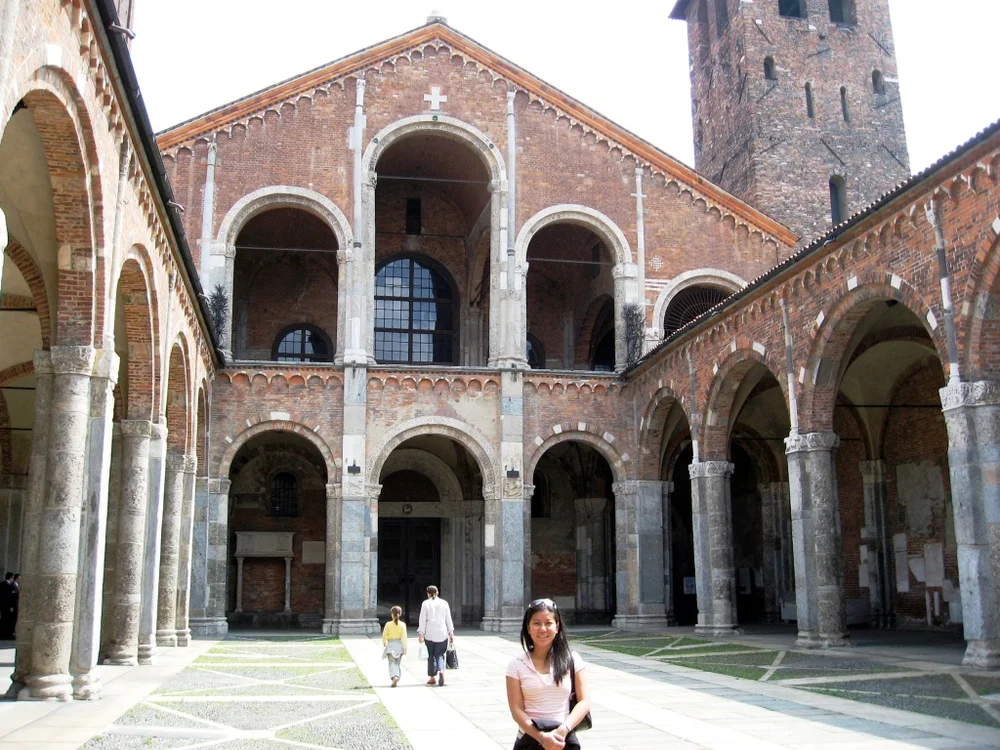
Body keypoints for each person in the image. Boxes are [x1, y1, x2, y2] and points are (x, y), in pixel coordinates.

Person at [506, 598, 591, 750]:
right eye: (536, 623)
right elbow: (516, 710)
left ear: (557, 627)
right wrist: (542, 737)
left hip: (562, 739)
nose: (543, 629)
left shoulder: (572, 660)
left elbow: (584, 702)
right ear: (528, 627)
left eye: (548, 623)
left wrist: (563, 730)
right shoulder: (516, 665)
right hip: (530, 740)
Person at [417, 584, 453, 686]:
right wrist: (451, 631)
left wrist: (421, 633)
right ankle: (441, 670)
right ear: (437, 593)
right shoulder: (444, 603)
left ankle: (432, 677)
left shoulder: (425, 603)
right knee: (440, 654)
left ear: (428, 594)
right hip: (442, 633)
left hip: (430, 633)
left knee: (431, 655)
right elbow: (448, 618)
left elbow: (422, 619)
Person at [381, 605, 407, 687]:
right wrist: (405, 647)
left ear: (392, 614)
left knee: (391, 662)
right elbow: (404, 637)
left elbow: (384, 634)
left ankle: (394, 676)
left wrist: (384, 642)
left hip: (391, 645)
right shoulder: (402, 625)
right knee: (397, 663)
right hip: (399, 646)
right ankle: (398, 675)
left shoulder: (388, 624)